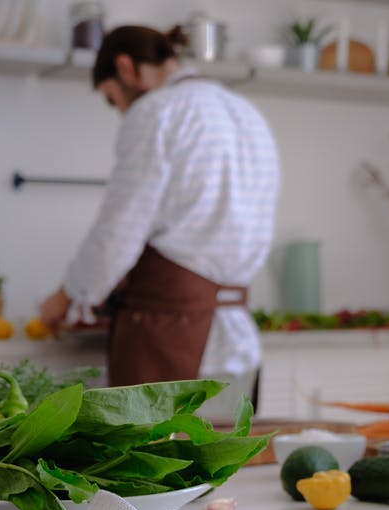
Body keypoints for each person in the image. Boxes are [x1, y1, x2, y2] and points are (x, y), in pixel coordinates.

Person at [39, 25, 280, 411]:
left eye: (112, 99)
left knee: (150, 465)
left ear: (125, 68)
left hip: (165, 330)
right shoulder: (248, 114)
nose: (120, 111)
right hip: (235, 335)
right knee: (223, 466)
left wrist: (67, 295)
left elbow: (119, 230)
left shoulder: (155, 112)